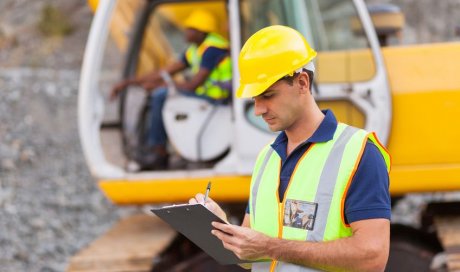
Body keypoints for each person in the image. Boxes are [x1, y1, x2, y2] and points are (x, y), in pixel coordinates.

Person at [190, 25, 391, 271]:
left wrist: (271, 247)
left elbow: (373, 257)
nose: (258, 109)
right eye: (254, 98)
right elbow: (251, 256)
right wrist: (221, 225)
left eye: (268, 95)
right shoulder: (267, 158)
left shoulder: (359, 152)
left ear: (302, 82)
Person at [110, 9, 232, 170]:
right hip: (207, 96)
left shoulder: (212, 50)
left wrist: (160, 86)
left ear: (201, 32)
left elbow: (192, 85)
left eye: (190, 29)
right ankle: (156, 147)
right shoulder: (196, 49)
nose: (185, 32)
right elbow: (165, 72)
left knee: (161, 95)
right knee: (159, 93)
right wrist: (128, 82)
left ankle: (158, 151)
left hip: (219, 99)